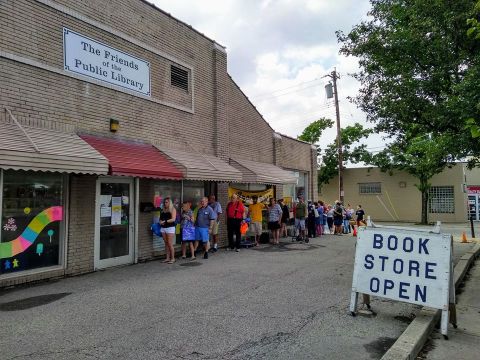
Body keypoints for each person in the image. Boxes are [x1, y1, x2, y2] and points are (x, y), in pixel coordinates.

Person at [160, 197, 177, 264]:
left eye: (166, 202)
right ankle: (167, 258)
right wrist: (160, 222)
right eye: (164, 202)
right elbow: (160, 219)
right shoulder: (163, 210)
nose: (165, 203)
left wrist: (165, 221)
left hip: (170, 228)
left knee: (170, 243)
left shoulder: (173, 209)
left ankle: (173, 258)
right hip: (163, 228)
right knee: (166, 243)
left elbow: (173, 219)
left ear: (170, 203)